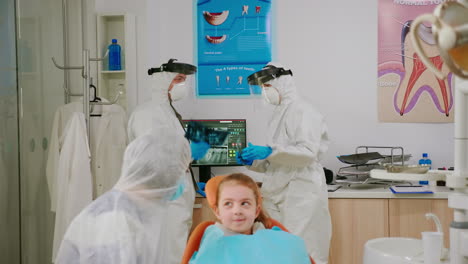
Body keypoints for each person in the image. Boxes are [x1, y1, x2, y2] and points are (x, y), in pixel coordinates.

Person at [238, 62, 332, 264]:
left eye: (267, 86)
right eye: (262, 87)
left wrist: (270, 151)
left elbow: (307, 153)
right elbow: (277, 161)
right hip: (279, 192)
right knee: (279, 253)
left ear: (282, 82)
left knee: (304, 251)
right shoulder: (280, 113)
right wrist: (254, 160)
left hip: (302, 192)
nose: (265, 91)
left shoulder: (304, 110)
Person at [55, 128, 191, 264]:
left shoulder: (142, 212)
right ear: (163, 173)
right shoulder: (114, 218)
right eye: (182, 172)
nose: (183, 182)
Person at [127, 59, 209, 264]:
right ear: (163, 81)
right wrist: (190, 152)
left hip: (174, 199)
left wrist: (191, 184)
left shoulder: (168, 112)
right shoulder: (148, 113)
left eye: (184, 80)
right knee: (167, 255)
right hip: (163, 203)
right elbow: (156, 158)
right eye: (179, 79)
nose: (183, 84)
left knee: (176, 252)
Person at [185, 173, 312, 264]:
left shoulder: (273, 233)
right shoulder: (210, 238)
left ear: (256, 210)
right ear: (218, 212)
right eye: (228, 203)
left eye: (244, 203)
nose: (237, 211)